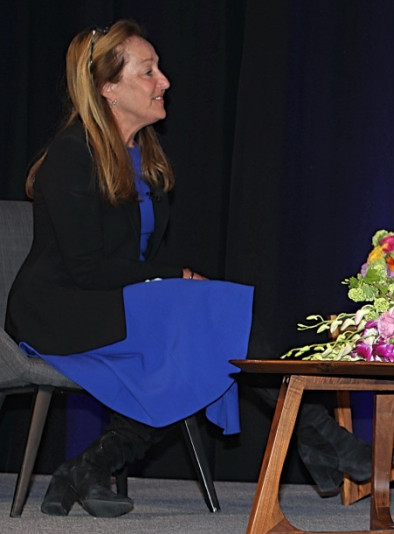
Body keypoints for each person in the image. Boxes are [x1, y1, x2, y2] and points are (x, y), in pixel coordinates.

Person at [5, 20, 371, 518]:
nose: (165, 82)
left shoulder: (144, 159)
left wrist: (171, 285)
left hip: (116, 301)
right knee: (205, 322)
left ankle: (89, 467)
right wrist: (173, 279)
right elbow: (87, 269)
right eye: (149, 71)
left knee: (203, 333)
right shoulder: (72, 156)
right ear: (108, 89)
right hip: (60, 311)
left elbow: (131, 264)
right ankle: (323, 440)